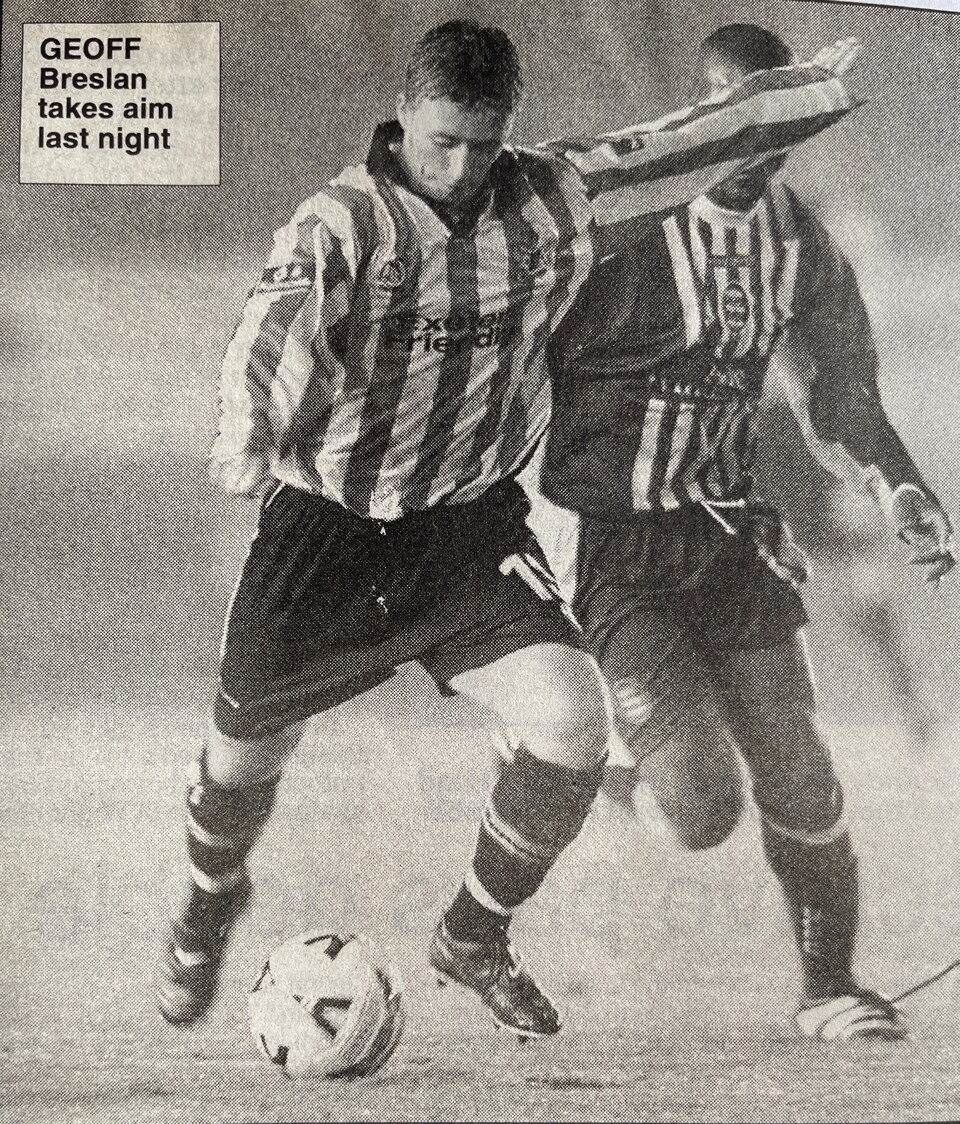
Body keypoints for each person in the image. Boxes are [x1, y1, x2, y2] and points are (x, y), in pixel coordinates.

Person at [155, 20, 859, 1040]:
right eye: (444, 142)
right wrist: (243, 435)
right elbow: (270, 341)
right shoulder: (344, 224)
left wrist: (810, 94)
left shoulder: (551, 193)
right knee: (240, 763)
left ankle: (473, 934)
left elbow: (690, 139)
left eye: (486, 145)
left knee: (571, 721)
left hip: (465, 527)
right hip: (326, 531)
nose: (463, 168)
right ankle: (207, 903)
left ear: (509, 132)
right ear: (403, 118)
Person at [531, 22, 954, 1041]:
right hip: (615, 540)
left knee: (800, 763)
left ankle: (830, 986)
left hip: (727, 526)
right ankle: (613, 778)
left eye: (774, 122)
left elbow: (839, 390)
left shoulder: (800, 240)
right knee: (701, 807)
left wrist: (899, 483)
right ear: (697, 120)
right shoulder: (623, 231)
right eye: (731, 119)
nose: (753, 145)